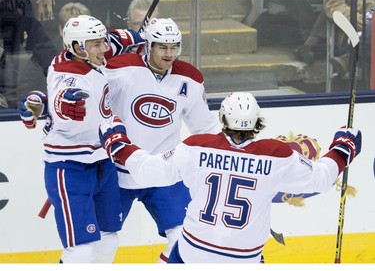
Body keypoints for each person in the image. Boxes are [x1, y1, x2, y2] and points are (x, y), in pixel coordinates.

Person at [98, 91, 362, 263]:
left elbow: (147, 170)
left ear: (223, 118)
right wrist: (342, 149)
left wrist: (117, 143)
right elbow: (320, 178)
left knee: (176, 251)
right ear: (258, 121)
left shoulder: (196, 146)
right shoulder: (276, 155)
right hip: (243, 258)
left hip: (195, 251)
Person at [104, 17, 222, 263]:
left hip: (165, 171)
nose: (170, 54)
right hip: (117, 171)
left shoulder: (189, 78)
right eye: (162, 47)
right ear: (148, 46)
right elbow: (92, 103)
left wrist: (225, 154)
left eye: (174, 47)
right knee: (102, 243)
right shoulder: (119, 68)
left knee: (185, 239)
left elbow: (206, 128)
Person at [23, 15, 124, 263]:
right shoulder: (66, 74)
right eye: (97, 44)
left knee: (109, 239)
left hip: (103, 162)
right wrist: (62, 105)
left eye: (104, 41)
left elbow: (119, 42)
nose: (105, 49)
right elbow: (62, 100)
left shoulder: (85, 55)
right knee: (81, 251)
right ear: (78, 47)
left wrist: (133, 37)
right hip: (70, 167)